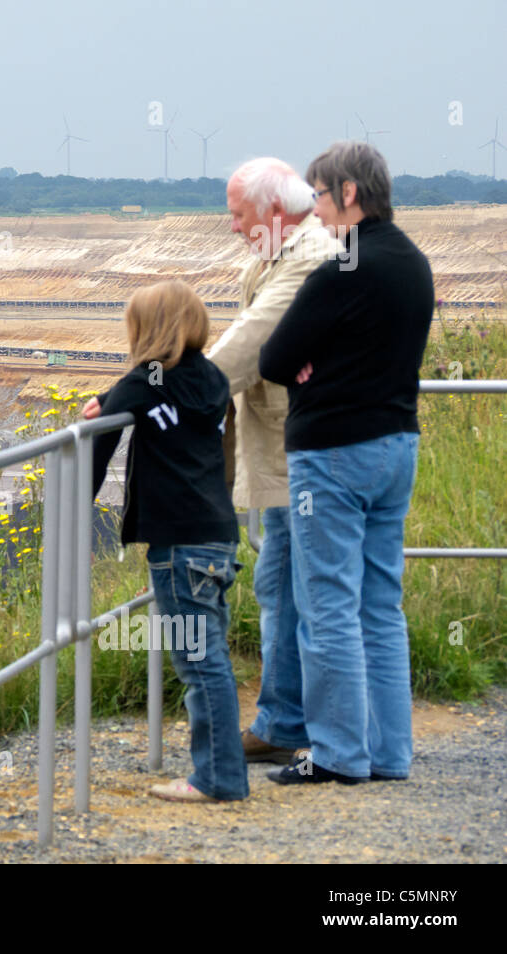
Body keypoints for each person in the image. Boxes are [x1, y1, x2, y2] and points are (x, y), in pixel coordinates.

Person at [259, 141, 434, 786]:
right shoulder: (413, 262)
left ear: (350, 194)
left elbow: (276, 359)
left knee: (326, 602)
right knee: (380, 606)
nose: (318, 213)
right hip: (397, 446)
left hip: (332, 457)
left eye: (321, 198)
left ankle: (335, 754)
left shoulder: (344, 266)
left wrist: (312, 363)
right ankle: (389, 754)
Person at [84, 281, 245, 802]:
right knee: (210, 656)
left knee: (200, 664)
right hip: (217, 535)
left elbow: (103, 434)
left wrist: (73, 507)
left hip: (178, 544)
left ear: (147, 331)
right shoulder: (214, 377)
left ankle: (218, 779)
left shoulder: (146, 379)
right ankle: (221, 772)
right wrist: (111, 398)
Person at [206, 158, 340, 767]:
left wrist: (171, 390)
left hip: (303, 451)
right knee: (283, 582)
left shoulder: (309, 255)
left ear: (273, 212)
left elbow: (253, 337)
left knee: (295, 586)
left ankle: (300, 725)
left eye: (238, 214)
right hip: (288, 447)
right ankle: (286, 718)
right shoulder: (274, 252)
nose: (232, 226)